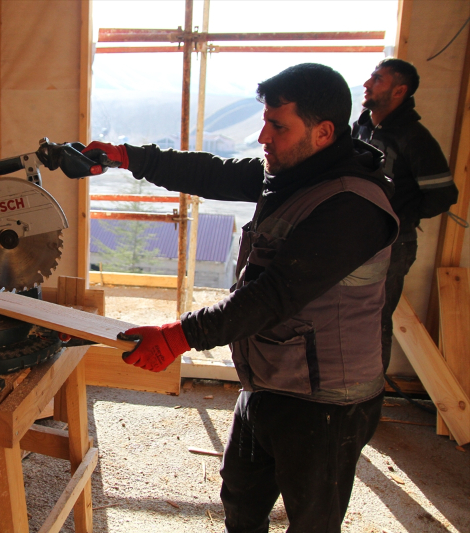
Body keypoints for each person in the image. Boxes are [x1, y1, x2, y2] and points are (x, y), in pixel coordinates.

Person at [81, 63, 400, 532]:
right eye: (265, 120)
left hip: (327, 402)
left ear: (324, 132)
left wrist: (178, 335)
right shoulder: (296, 172)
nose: (262, 135)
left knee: (313, 520)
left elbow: (272, 296)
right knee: (241, 499)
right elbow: (213, 173)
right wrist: (127, 157)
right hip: (269, 378)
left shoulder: (352, 204)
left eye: (277, 125)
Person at [352, 58, 458, 373]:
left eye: (378, 79)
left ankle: (368, 403)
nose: (368, 85)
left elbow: (443, 195)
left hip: (393, 246)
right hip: (358, 240)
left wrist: (398, 217)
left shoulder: (414, 137)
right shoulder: (363, 125)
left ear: (399, 91)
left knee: (375, 322)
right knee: (347, 318)